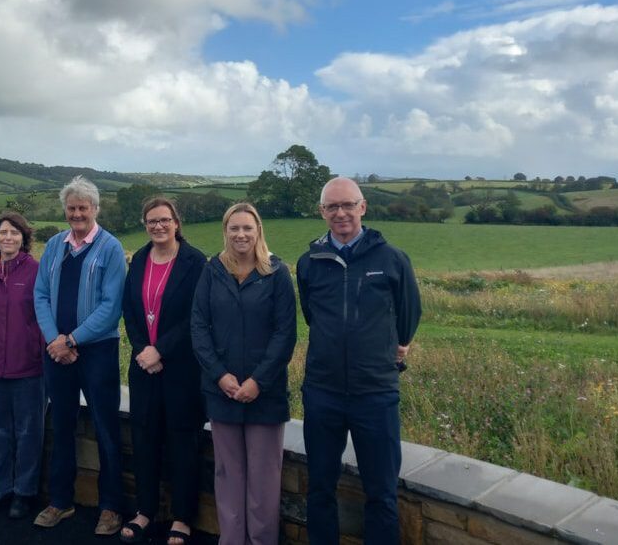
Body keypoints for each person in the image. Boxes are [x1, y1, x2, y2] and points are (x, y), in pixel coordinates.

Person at [297, 177, 421, 545]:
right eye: (332, 206)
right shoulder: (309, 263)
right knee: (320, 487)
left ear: (362, 207)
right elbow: (311, 316)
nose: (341, 213)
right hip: (323, 391)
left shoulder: (392, 259)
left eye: (348, 204)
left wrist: (398, 345)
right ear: (322, 212)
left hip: (375, 391)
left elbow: (409, 314)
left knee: (381, 492)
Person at [190, 202, 297, 545]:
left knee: (264, 478)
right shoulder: (212, 271)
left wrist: (258, 381)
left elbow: (285, 333)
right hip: (222, 390)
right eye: (234, 228)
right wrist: (219, 375)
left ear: (258, 231)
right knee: (228, 474)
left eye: (247, 228)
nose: (241, 234)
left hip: (265, 393)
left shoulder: (276, 273)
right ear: (225, 231)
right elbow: (199, 326)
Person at [32, 176, 127, 535]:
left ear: (95, 209)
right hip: (56, 352)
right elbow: (41, 294)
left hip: (97, 351)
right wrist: (54, 340)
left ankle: (111, 507)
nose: (76, 214)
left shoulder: (111, 248)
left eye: (83, 208)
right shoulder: (54, 245)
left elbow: (111, 306)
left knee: (105, 428)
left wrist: (71, 340)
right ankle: (60, 501)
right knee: (61, 426)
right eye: (71, 208)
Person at [120, 197, 206, 545]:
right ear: (145, 225)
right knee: (144, 440)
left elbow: (196, 316)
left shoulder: (195, 262)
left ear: (176, 222)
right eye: (151, 221)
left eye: (164, 220)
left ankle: (183, 518)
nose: (158, 226)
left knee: (183, 442)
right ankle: (145, 511)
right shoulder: (139, 259)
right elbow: (130, 310)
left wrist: (162, 350)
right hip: (144, 367)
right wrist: (143, 349)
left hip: (181, 370)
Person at [0, 212, 46, 520]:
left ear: (24, 238)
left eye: (14, 233)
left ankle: (24, 493)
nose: (8, 237)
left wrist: (38, 352)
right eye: (3, 232)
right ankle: (2, 489)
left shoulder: (36, 271)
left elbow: (44, 316)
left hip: (29, 369)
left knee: (29, 434)